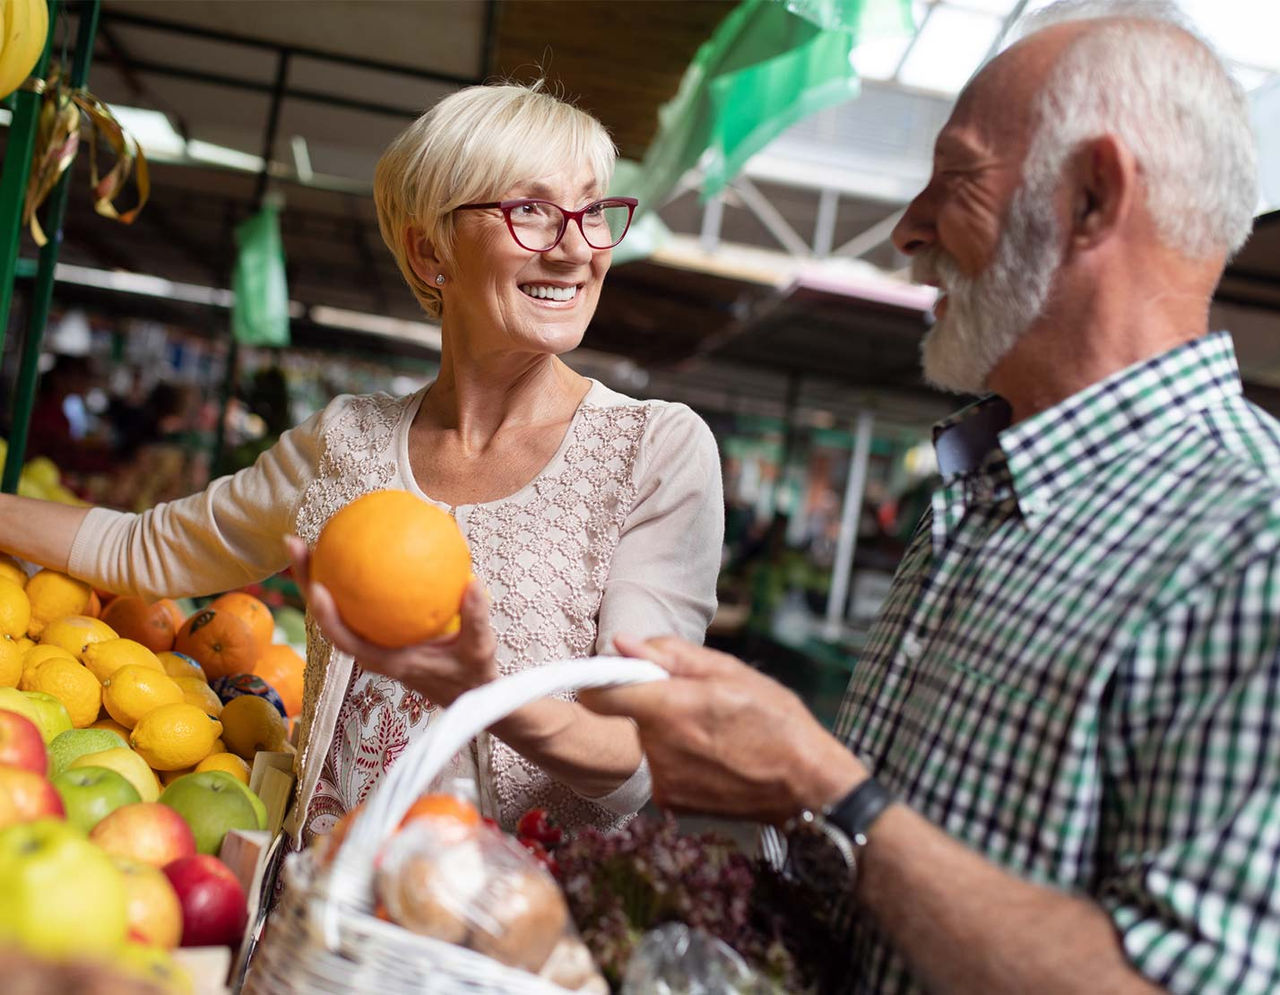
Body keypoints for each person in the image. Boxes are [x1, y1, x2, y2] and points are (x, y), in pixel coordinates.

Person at [583, 3, 1280, 993]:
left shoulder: (1254, 546)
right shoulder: (980, 490)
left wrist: (826, 788)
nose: (907, 228)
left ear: (1090, 196)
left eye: (953, 180)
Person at [0, 81, 724, 844]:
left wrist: (481, 691)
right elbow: (145, 547)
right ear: (429, 248)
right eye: (532, 210)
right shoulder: (344, 445)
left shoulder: (653, 451)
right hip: (313, 930)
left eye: (590, 210)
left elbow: (638, 754)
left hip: (507, 939)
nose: (577, 246)